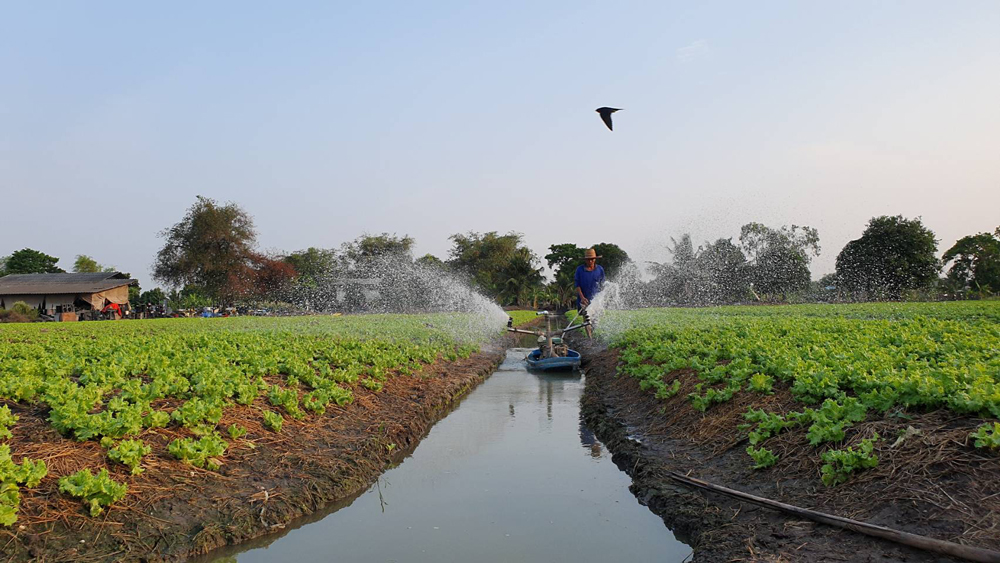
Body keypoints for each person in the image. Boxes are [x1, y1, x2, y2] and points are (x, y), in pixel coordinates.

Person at [574, 248, 605, 337]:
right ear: (585, 260)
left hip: (596, 299)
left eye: (592, 259)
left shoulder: (600, 269)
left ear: (595, 259)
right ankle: (590, 338)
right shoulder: (580, 270)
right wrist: (582, 298)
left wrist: (601, 297)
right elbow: (577, 285)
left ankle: (594, 335)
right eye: (588, 259)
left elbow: (602, 285)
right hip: (584, 299)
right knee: (587, 319)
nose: (590, 261)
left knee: (595, 319)